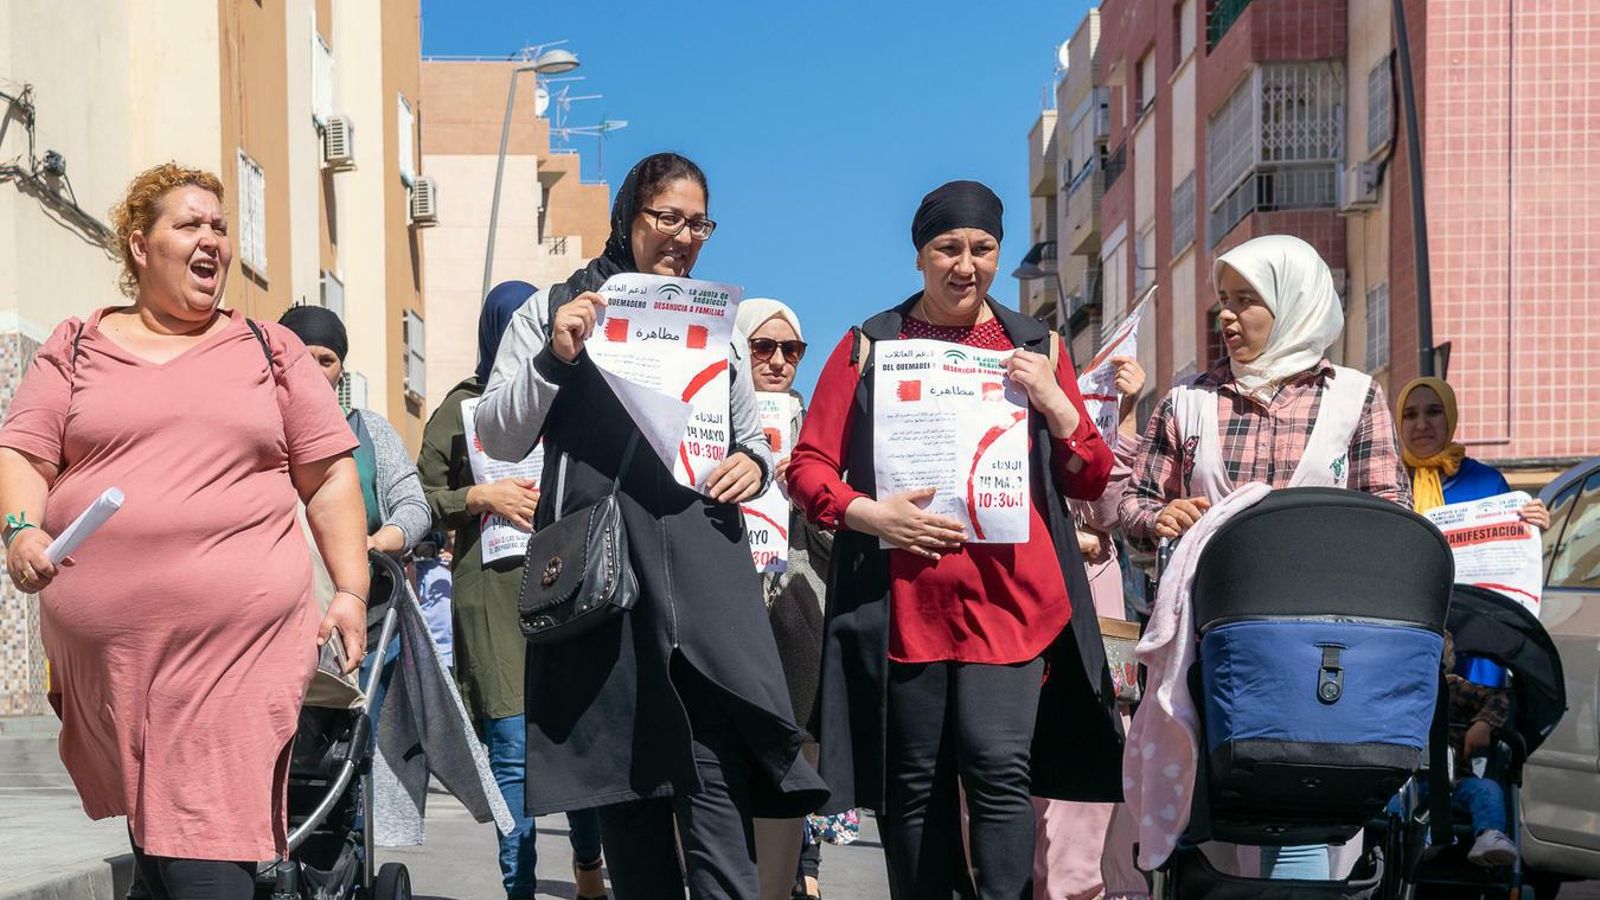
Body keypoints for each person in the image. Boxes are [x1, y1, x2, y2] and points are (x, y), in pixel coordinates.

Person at [0, 163, 368, 899]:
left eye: (221, 228)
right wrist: (20, 531)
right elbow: (23, 454)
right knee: (163, 839)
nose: (213, 241)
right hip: (114, 662)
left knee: (204, 839)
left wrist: (352, 591)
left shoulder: (270, 351)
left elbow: (328, 478)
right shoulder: (75, 347)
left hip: (236, 647)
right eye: (190, 225)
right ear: (139, 246)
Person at [474, 152, 829, 900]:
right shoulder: (555, 306)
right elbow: (501, 436)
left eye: (698, 222)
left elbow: (752, 437)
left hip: (704, 580)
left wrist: (754, 467)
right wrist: (554, 358)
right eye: (666, 217)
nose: (684, 236)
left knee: (715, 794)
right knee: (628, 797)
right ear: (629, 215)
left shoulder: (716, 321)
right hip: (606, 587)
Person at [788, 179, 1122, 898]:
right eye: (947, 248)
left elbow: (1090, 477)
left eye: (981, 248)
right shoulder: (868, 346)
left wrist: (1058, 402)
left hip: (1014, 604)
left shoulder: (1039, 345)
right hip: (906, 605)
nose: (964, 264)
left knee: (999, 766)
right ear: (920, 257)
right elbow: (810, 465)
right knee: (914, 785)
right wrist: (870, 514)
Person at [1120, 233, 1410, 881]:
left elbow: (1392, 523)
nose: (1226, 316)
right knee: (1214, 839)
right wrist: (1158, 518)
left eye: (1246, 301)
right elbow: (1134, 508)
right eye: (1222, 301)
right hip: (1207, 662)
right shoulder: (1187, 403)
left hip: (1317, 666)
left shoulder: (1355, 399)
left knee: (1303, 817)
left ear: (1294, 304)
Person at [417, 282, 606, 900]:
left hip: (571, 594)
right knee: (512, 751)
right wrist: (477, 496)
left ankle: (587, 872)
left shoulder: (575, 393)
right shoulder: (463, 409)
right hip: (495, 604)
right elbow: (419, 501)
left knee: (577, 743)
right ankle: (517, 887)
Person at [1035, 355, 1148, 900]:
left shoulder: (1099, 415)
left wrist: (1124, 417)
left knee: (1098, 747)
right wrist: (1065, 539)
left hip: (1097, 604)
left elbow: (1111, 510)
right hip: (1025, 595)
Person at [735, 299, 835, 900]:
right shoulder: (705, 417)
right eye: (762, 347)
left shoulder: (816, 425)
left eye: (790, 350)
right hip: (725, 603)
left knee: (790, 751)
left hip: (801, 608)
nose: (777, 361)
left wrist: (804, 486)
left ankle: (782, 881)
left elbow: (838, 526)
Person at [278, 305, 430, 556]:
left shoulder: (371, 430)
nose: (314, 371)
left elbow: (413, 505)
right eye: (303, 359)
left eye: (326, 361)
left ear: (341, 374)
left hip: (369, 587)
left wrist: (377, 543)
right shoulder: (259, 429)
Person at [1396, 376, 1550, 527]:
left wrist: (1534, 526)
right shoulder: (1385, 485)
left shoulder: (1488, 483)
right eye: (1410, 415)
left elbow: (1512, 546)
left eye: (1433, 412)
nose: (1422, 425)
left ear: (1451, 416)